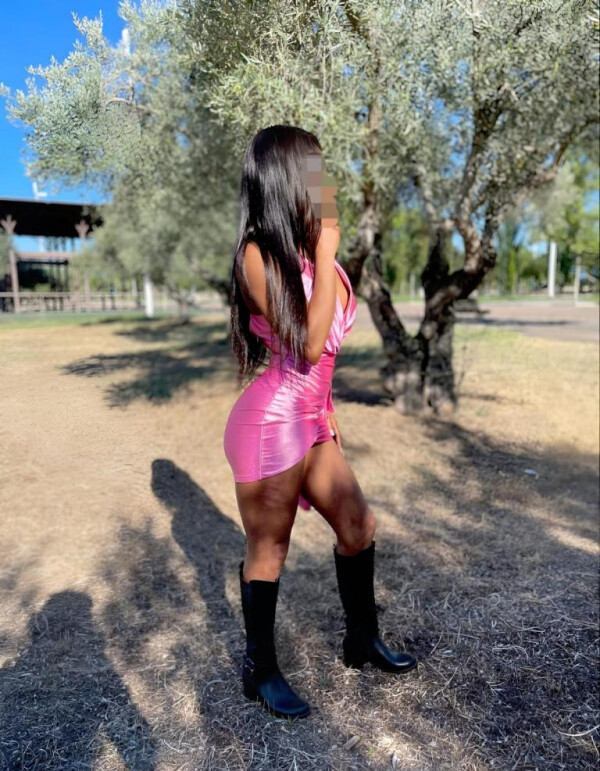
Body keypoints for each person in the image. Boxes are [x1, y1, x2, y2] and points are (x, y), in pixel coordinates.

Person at [223, 125, 417, 719]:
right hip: (271, 422)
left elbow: (323, 361)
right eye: (315, 169)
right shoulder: (256, 254)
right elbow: (308, 346)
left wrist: (328, 412)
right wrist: (329, 250)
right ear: (288, 177)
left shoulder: (310, 247)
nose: (324, 181)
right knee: (270, 547)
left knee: (359, 525)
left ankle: (362, 640)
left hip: (312, 418)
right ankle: (261, 672)